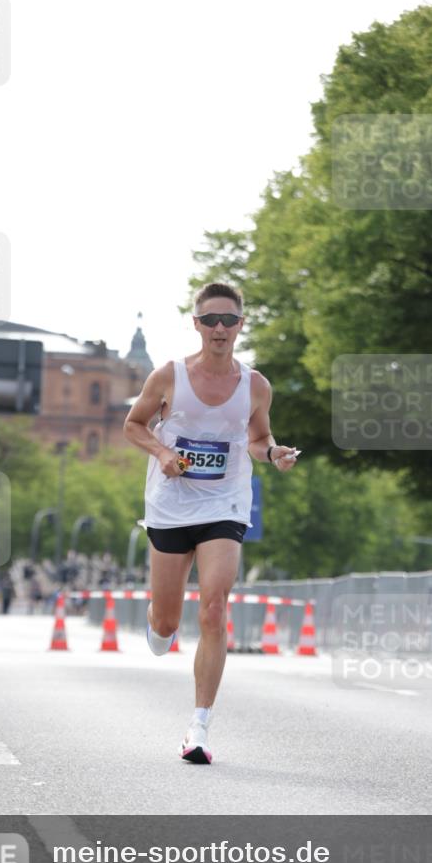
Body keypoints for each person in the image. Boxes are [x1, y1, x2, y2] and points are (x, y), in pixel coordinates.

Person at [124, 282, 298, 764]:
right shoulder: (169, 376)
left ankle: (198, 727)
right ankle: (161, 629)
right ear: (196, 325)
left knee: (215, 607)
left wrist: (275, 454)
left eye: (229, 320)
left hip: (224, 504)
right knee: (166, 625)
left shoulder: (255, 385)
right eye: (210, 320)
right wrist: (162, 452)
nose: (219, 329)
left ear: (241, 324)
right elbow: (134, 424)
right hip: (171, 505)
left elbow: (258, 440)